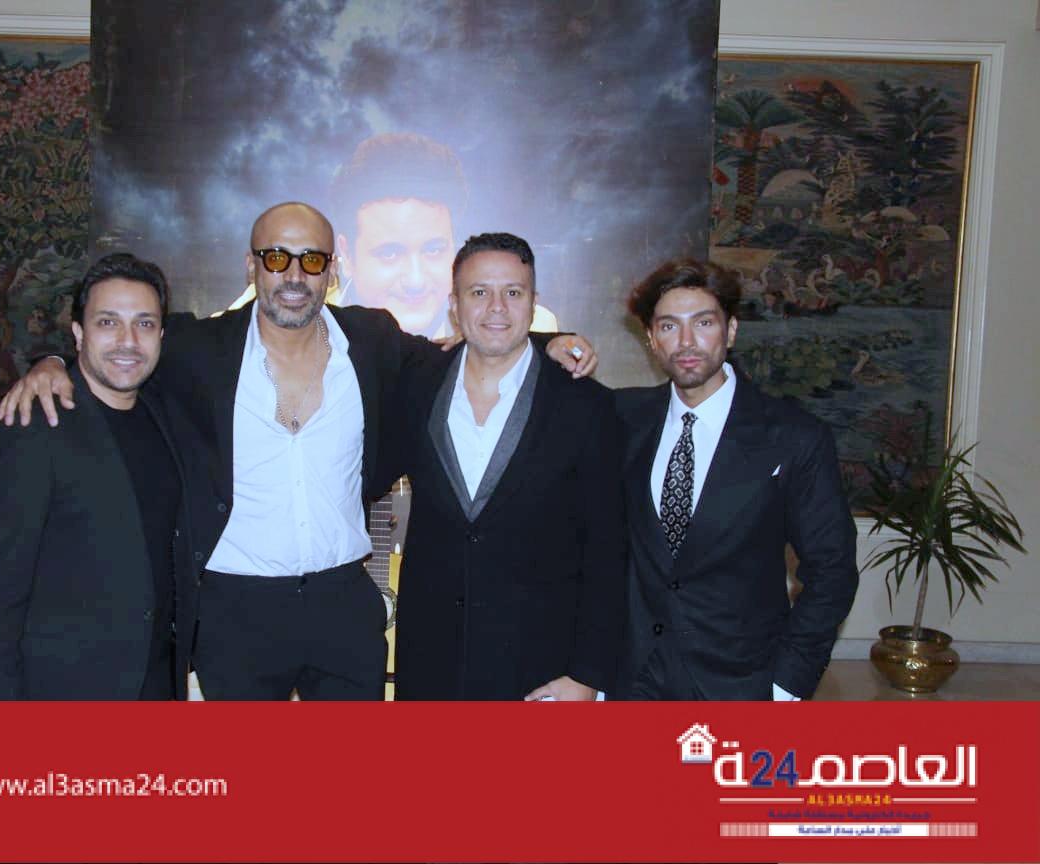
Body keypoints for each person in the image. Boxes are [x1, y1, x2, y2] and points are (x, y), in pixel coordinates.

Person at [0, 202, 595, 700]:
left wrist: (548, 340)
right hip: (234, 609)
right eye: (276, 257)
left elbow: (462, 350)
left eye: (311, 259)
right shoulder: (198, 349)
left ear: (330, 270)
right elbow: (122, 341)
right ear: (252, 265)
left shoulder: (373, 341)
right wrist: (52, 361)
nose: (293, 275)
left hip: (342, 604)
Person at [387, 233, 624, 700]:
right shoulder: (414, 383)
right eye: (479, 292)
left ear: (534, 303)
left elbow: (608, 550)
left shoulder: (587, 406)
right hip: (430, 662)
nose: (497, 307)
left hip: (539, 669)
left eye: (513, 292)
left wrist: (588, 675)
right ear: (454, 305)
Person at [615, 258, 858, 701]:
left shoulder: (794, 436)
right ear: (651, 338)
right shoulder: (622, 418)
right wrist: (555, 344)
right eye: (668, 326)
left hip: (743, 683)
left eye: (703, 323)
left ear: (730, 330)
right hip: (634, 681)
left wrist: (787, 684)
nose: (686, 342)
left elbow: (833, 572)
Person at [0, 253, 190, 700]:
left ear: (162, 335)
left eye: (144, 324)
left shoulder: (162, 412)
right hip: (58, 687)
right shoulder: (34, 424)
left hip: (152, 683)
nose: (127, 341)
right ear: (79, 333)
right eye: (108, 322)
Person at [224, 133, 557, 337]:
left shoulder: (515, 327)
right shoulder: (283, 310)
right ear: (346, 256)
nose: (415, 280)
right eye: (390, 254)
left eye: (433, 250)